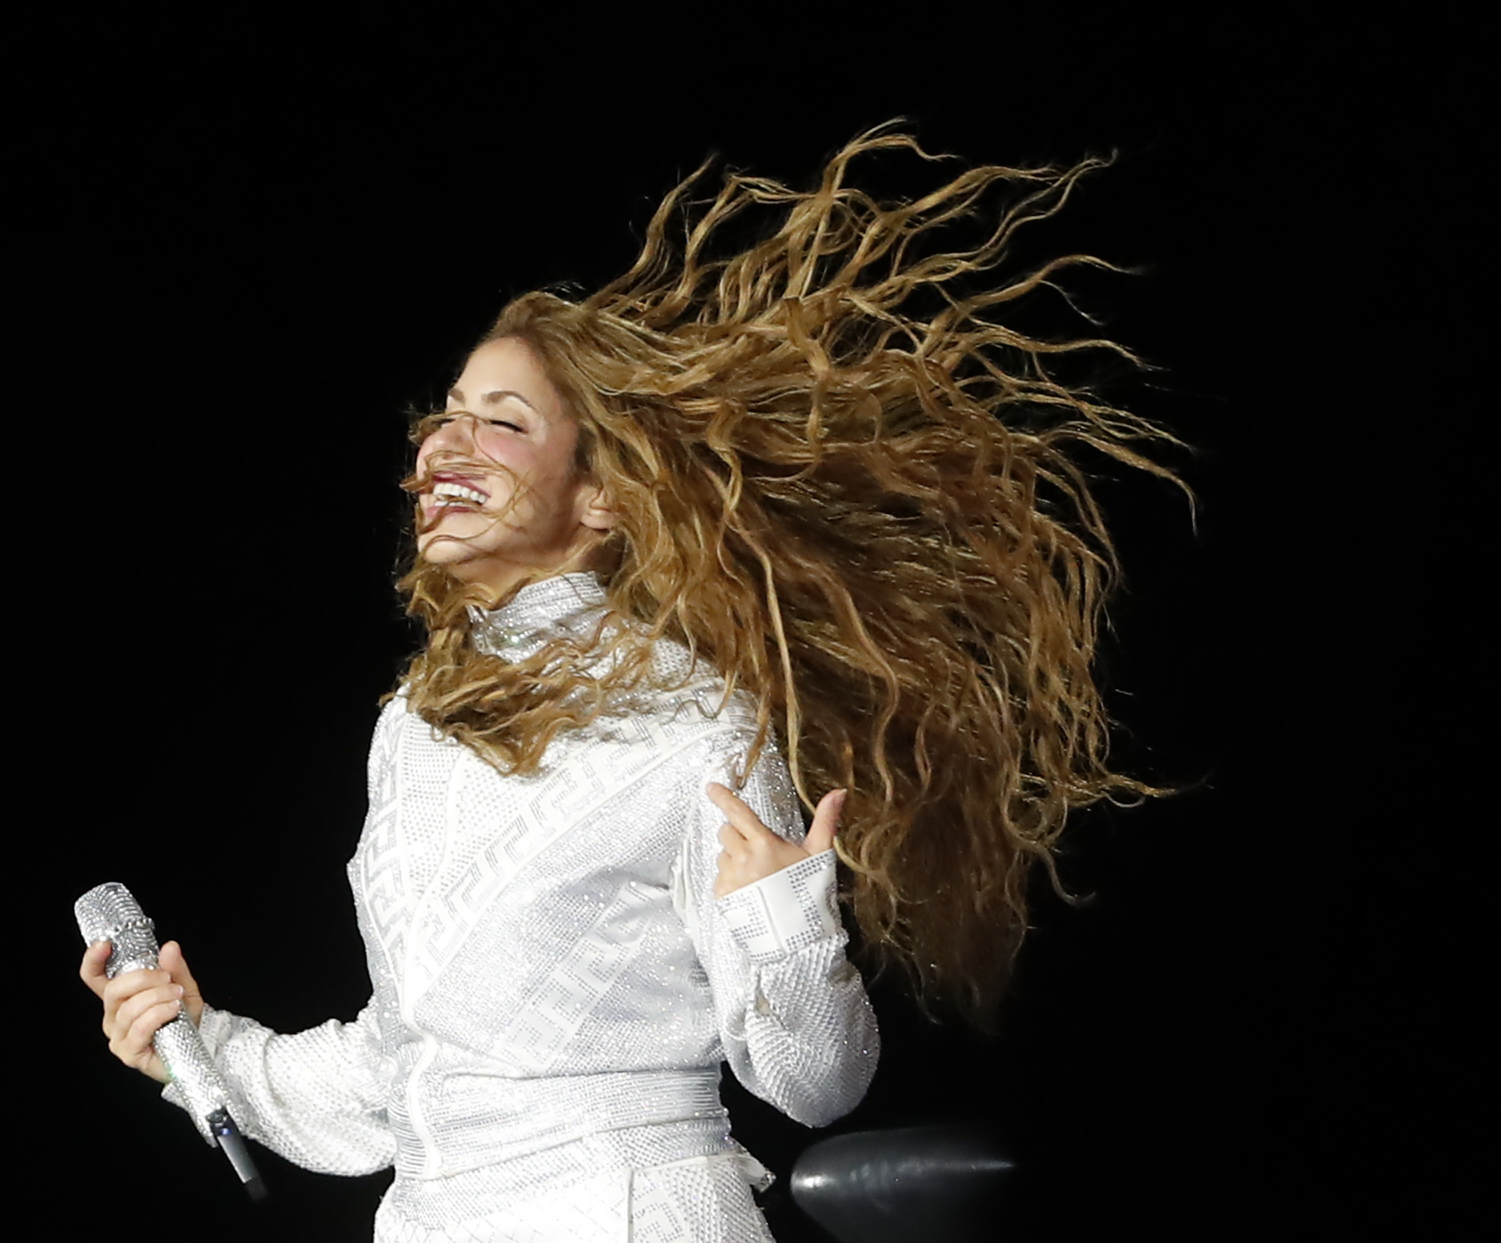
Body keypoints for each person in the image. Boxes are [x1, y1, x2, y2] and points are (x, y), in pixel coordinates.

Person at [82, 126, 1178, 1241]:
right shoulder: (413, 729)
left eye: (501, 423)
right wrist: (199, 1047)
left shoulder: (693, 723)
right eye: (443, 416)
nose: (444, 447)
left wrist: (784, 923)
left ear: (602, 498)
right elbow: (404, 1073)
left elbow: (815, 1084)